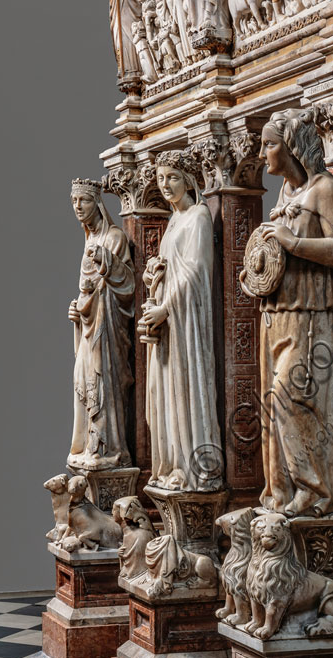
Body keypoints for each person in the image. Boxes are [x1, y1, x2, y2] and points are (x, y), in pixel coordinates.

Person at [245, 109, 333, 517]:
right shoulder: (286, 194)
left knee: (292, 398)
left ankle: (316, 489)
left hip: (312, 313)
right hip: (276, 311)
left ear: (292, 148)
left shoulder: (323, 189)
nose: (262, 152)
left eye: (270, 143)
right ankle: (280, 491)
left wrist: (292, 243)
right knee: (271, 409)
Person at [141, 151, 223, 492]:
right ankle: (172, 463)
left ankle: (192, 467)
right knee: (163, 395)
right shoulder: (174, 221)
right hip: (169, 324)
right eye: (160, 179)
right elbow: (173, 267)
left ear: (188, 180)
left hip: (186, 323)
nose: (165, 185)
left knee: (184, 391)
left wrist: (166, 307)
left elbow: (196, 274)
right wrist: (152, 276)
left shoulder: (198, 217)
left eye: (172, 177)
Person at [68, 179, 134, 471]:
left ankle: (106, 445)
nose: (78, 207)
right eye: (74, 201)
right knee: (84, 380)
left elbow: (128, 285)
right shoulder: (88, 241)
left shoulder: (114, 238)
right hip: (90, 327)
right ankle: (88, 443)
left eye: (83, 201)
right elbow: (87, 292)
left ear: (98, 204)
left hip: (108, 330)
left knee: (103, 382)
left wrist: (107, 261)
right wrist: (78, 311)